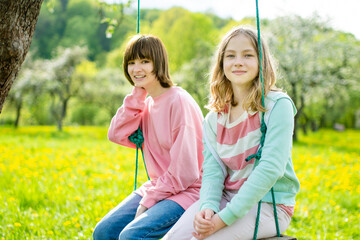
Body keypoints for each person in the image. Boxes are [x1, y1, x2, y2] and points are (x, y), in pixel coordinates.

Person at [163, 26, 300, 240]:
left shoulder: (276, 106)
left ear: (261, 62)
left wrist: (223, 219)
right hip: (225, 198)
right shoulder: (215, 118)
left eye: (248, 55)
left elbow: (270, 168)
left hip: (269, 205)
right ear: (222, 63)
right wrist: (208, 207)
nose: (238, 61)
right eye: (230, 56)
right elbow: (213, 170)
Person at [93, 34, 204, 240]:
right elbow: (116, 134)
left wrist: (147, 202)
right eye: (131, 63)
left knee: (132, 236)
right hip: (160, 187)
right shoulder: (147, 103)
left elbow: (186, 173)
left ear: (159, 63)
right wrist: (138, 93)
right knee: (104, 231)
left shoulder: (179, 101)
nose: (137, 68)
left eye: (145, 61)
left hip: (189, 192)